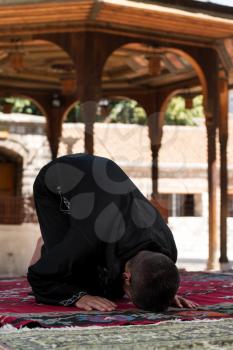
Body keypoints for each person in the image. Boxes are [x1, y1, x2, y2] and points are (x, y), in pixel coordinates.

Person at [28, 154, 197, 312]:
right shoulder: (88, 240)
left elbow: (157, 274)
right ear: (126, 277)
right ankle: (44, 245)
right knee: (75, 277)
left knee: (107, 285)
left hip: (101, 184)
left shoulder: (167, 251)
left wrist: (162, 291)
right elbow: (39, 277)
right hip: (57, 178)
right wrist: (79, 297)